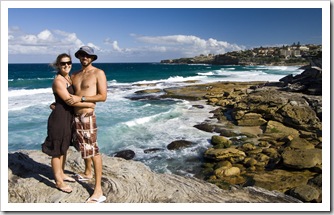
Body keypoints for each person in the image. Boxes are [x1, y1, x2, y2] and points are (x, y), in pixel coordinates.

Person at [42, 53, 95, 193]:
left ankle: (62, 174)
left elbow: (68, 99)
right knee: (57, 151)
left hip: (67, 117)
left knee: (64, 147)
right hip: (59, 119)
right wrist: (90, 102)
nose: (66, 65)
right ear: (58, 65)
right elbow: (69, 100)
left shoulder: (69, 78)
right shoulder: (58, 81)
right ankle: (58, 181)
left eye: (69, 63)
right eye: (63, 63)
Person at [67, 46, 107, 203]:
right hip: (74, 116)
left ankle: (98, 190)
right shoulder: (74, 75)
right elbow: (69, 94)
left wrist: (82, 99)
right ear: (79, 57)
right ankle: (87, 172)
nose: (84, 57)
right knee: (82, 147)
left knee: (93, 150)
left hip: (87, 115)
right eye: (82, 55)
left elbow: (103, 96)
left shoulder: (98, 73)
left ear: (92, 58)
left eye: (88, 55)